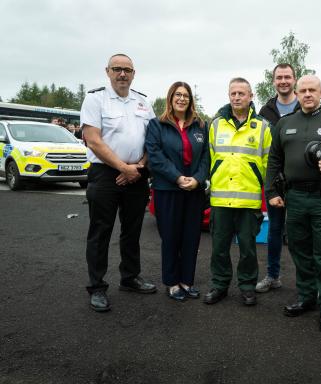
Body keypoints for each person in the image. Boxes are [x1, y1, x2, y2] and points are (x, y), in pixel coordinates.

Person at [265, 75, 321, 333]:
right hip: (295, 198)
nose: (307, 94)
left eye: (312, 90)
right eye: (302, 90)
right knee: (300, 250)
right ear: (297, 92)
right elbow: (273, 160)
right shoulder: (284, 124)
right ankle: (306, 296)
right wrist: (271, 191)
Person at [81, 53, 157, 312]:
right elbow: (93, 140)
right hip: (105, 175)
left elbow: (152, 140)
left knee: (132, 229)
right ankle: (97, 287)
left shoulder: (144, 102)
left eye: (127, 69)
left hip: (137, 173)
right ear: (107, 71)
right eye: (117, 69)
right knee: (100, 231)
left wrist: (139, 166)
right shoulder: (95, 99)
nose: (122, 74)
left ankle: (130, 277)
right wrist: (123, 167)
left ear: (134, 73)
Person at [204, 77, 272, 306]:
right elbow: (210, 158)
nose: (237, 97)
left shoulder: (262, 126)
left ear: (251, 96)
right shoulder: (215, 125)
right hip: (221, 199)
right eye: (233, 93)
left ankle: (247, 287)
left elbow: (268, 162)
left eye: (241, 93)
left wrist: (263, 185)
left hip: (248, 201)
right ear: (229, 95)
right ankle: (220, 285)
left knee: (248, 250)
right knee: (219, 249)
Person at [145, 82, 209, 302]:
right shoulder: (157, 125)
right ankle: (172, 282)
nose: (182, 99)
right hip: (167, 189)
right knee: (171, 237)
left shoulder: (201, 125)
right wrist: (177, 177)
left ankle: (186, 281)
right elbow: (155, 156)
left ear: (191, 100)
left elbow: (205, 158)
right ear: (170, 98)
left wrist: (198, 179)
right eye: (178, 95)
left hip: (194, 190)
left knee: (191, 237)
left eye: (186, 96)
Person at [256, 63, 300, 293]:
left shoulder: (305, 105)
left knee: (301, 232)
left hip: (301, 181)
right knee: (274, 230)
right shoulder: (265, 111)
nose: (283, 81)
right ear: (273, 81)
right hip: (275, 181)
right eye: (279, 77)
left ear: (295, 79)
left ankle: (307, 280)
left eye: (287, 77)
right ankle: (273, 276)